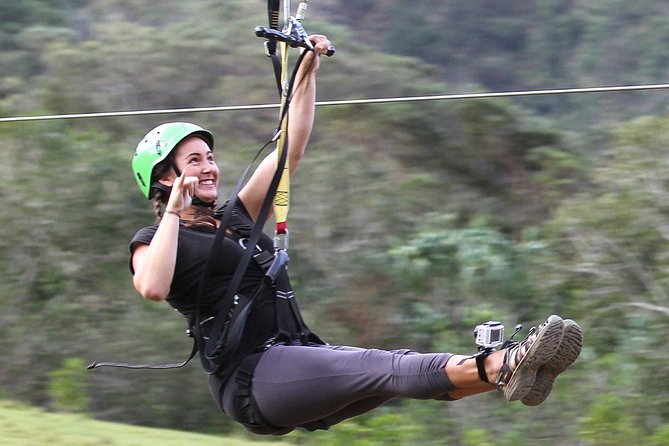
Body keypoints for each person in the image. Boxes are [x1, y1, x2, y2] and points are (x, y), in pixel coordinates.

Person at [129, 34, 583, 435]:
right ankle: (508, 362)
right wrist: (172, 211)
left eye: (209, 157)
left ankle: (510, 374)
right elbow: (152, 286)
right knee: (387, 367)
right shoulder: (153, 238)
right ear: (164, 177)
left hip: (295, 356)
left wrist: (308, 72)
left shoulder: (235, 218)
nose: (209, 167)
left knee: (396, 371)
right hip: (253, 377)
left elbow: (292, 148)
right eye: (194, 161)